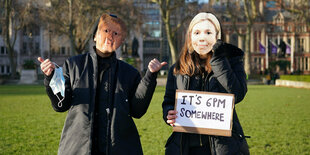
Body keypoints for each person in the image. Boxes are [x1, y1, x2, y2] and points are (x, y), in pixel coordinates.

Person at [38, 13, 166, 155]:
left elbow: (137, 110)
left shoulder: (129, 73)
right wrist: (50, 78)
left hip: (119, 148)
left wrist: (149, 77)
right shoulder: (74, 65)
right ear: (94, 36)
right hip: (78, 148)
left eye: (116, 33)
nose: (110, 36)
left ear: (121, 41)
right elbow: (61, 105)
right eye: (106, 30)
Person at [162, 12, 249, 155]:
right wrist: (168, 113)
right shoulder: (177, 68)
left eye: (208, 32)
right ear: (190, 36)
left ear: (217, 36)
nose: (202, 37)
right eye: (197, 32)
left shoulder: (232, 61)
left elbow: (238, 94)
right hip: (185, 147)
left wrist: (219, 59)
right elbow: (169, 100)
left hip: (223, 147)